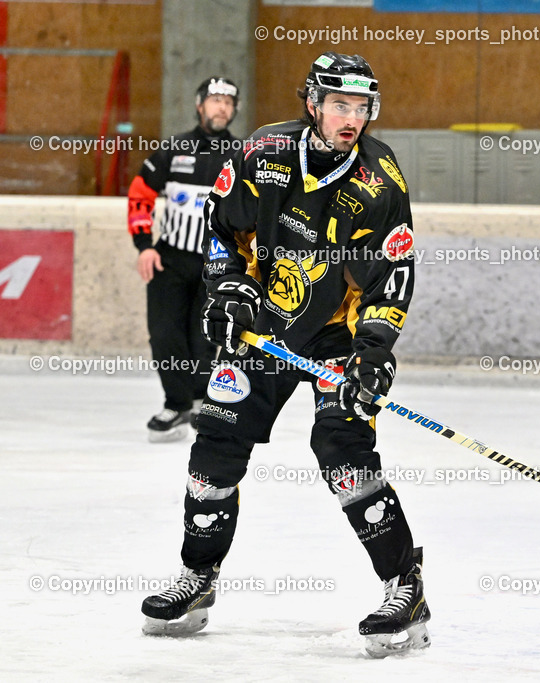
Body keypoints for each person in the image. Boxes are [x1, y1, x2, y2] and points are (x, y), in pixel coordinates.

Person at [139, 52, 428, 658]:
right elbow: (220, 230)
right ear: (313, 104)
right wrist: (228, 287)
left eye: (362, 107)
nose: (352, 118)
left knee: (343, 451)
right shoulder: (262, 153)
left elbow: (392, 274)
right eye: (340, 105)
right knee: (216, 441)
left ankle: (405, 584)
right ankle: (199, 576)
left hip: (338, 334)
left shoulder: (381, 182)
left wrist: (375, 350)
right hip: (266, 329)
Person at [128, 78, 240, 441]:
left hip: (217, 263)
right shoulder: (174, 149)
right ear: (199, 105)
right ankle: (176, 404)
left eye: (228, 101)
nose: (221, 107)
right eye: (214, 100)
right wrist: (144, 244)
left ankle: (199, 401)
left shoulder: (242, 156)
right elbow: (140, 194)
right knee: (163, 334)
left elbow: (256, 210)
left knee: (204, 337)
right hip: (171, 259)